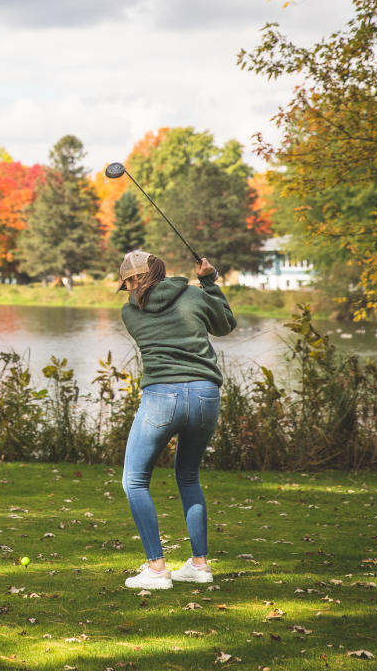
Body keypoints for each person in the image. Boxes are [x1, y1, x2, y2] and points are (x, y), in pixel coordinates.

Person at [116, 249, 236, 590]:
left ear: (134, 281)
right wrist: (210, 282)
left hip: (161, 398)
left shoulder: (131, 312)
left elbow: (146, 303)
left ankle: (156, 569)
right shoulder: (195, 296)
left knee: (135, 481)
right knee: (188, 477)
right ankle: (199, 565)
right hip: (204, 394)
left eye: (127, 282)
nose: (127, 289)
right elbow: (225, 325)